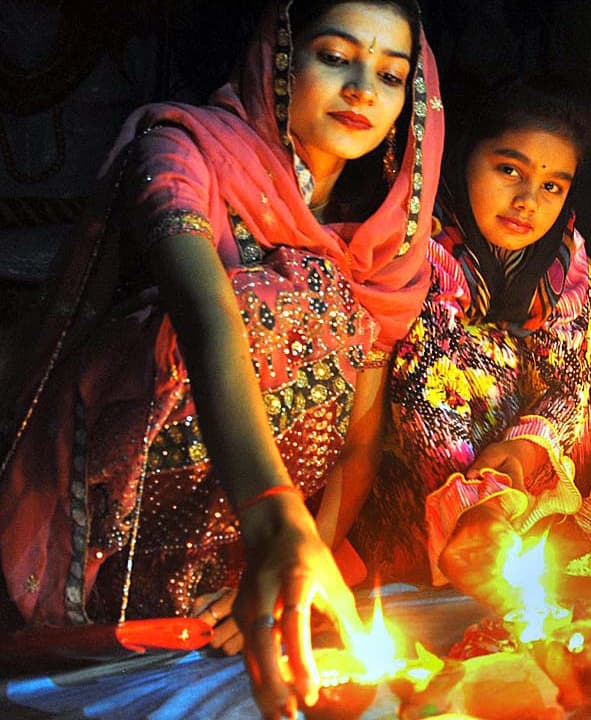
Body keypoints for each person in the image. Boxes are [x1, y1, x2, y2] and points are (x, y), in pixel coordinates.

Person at [0, 1, 442, 717]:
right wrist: (276, 516)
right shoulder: (180, 149)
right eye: (335, 56)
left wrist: (306, 555)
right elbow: (209, 319)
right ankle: (122, 593)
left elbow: (361, 440)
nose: (363, 88)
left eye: (392, 75)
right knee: (286, 299)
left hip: (257, 548)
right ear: (279, 59)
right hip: (125, 510)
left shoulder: (388, 239)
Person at [348, 78, 591, 608]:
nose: (527, 202)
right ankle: (468, 538)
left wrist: (512, 464)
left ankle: (573, 537)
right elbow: (427, 400)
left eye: (552, 186)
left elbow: (570, 390)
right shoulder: (407, 261)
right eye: (509, 170)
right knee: (450, 336)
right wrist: (479, 502)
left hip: (523, 488)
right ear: (464, 155)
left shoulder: (569, 272)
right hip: (420, 508)